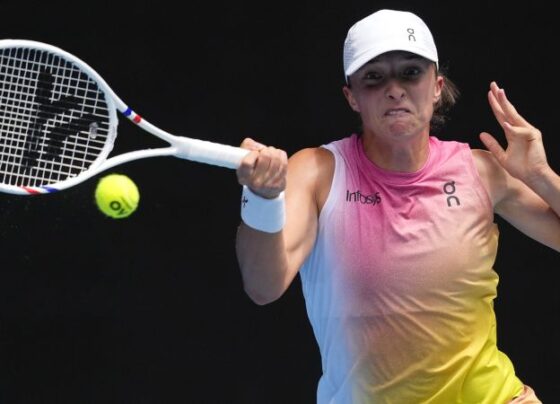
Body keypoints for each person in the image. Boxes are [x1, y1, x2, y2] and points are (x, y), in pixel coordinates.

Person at [235, 9, 559, 404]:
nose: (394, 89)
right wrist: (262, 198)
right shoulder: (317, 172)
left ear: (437, 86)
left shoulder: (483, 171)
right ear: (351, 96)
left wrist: (542, 177)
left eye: (410, 72)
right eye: (374, 77)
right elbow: (263, 286)